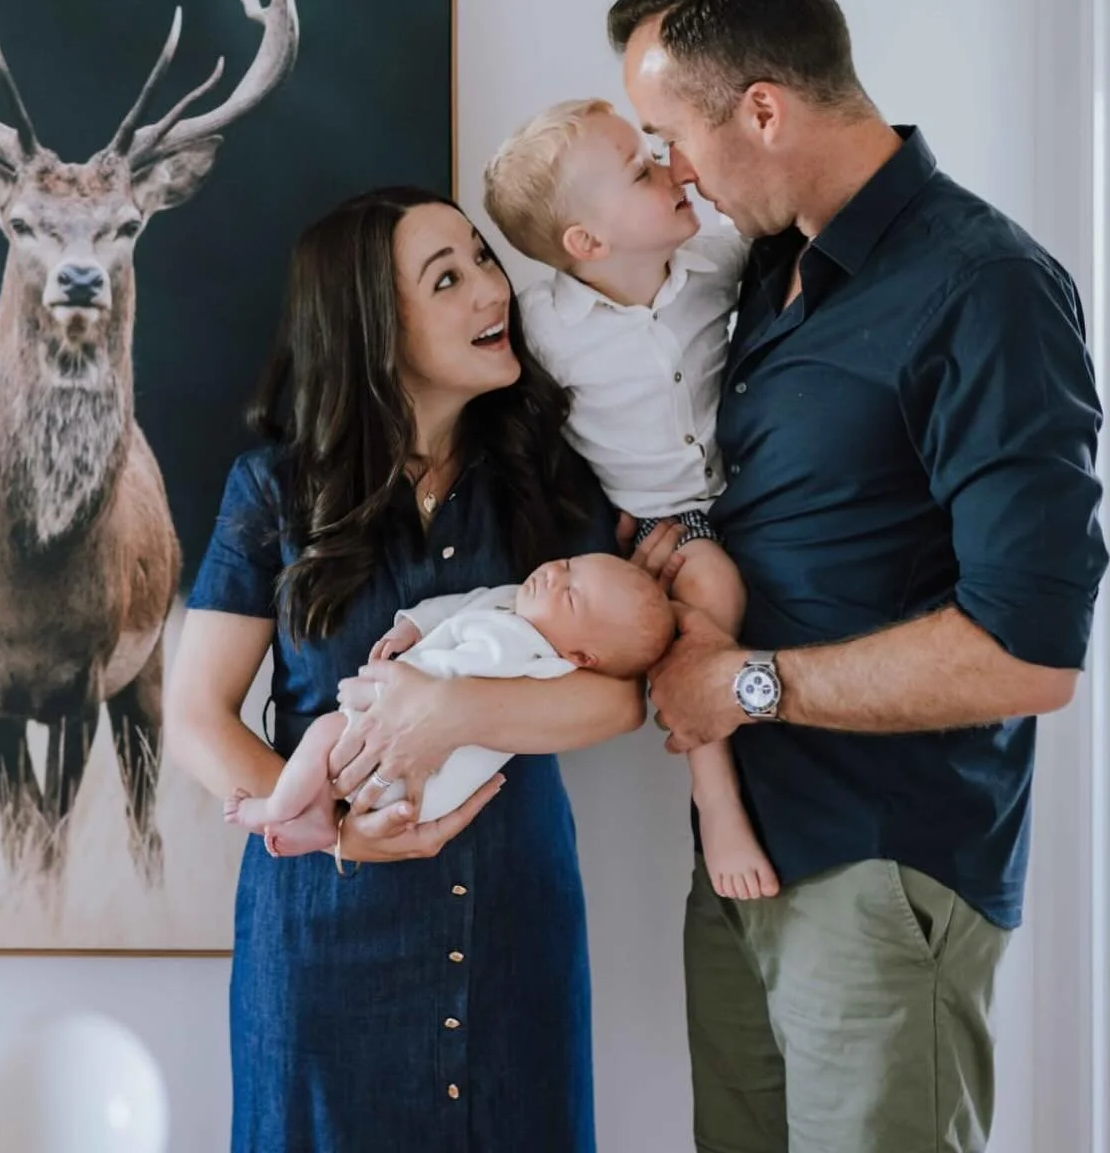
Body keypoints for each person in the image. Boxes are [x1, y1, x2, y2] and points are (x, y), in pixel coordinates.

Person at [607, 0, 1108, 1153]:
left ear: (764, 108)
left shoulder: (986, 289)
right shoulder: (764, 270)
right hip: (742, 863)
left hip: (883, 870)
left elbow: (1029, 654)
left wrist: (746, 684)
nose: (670, 172)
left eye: (672, 135)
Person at [165, 186, 663, 1152]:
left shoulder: (549, 477)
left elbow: (619, 698)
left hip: (514, 917)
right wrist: (333, 827)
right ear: (372, 328)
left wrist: (452, 708)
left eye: (483, 260)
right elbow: (196, 717)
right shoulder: (274, 488)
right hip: (323, 926)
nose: (492, 290)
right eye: (450, 278)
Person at [483, 97, 777, 901]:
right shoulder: (544, 328)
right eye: (643, 170)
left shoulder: (719, 263)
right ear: (587, 243)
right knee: (706, 595)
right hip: (663, 521)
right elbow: (523, 431)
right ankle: (716, 799)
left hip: (751, 500)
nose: (671, 169)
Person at [224, 553, 674, 851]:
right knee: (332, 758)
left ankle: (276, 807)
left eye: (571, 594)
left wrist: (379, 691)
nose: (555, 575)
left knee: (325, 735)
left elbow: (446, 686)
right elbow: (463, 605)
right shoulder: (512, 602)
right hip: (393, 750)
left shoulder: (540, 661)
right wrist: (413, 625)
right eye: (568, 564)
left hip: (429, 778)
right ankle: (320, 818)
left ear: (581, 656)